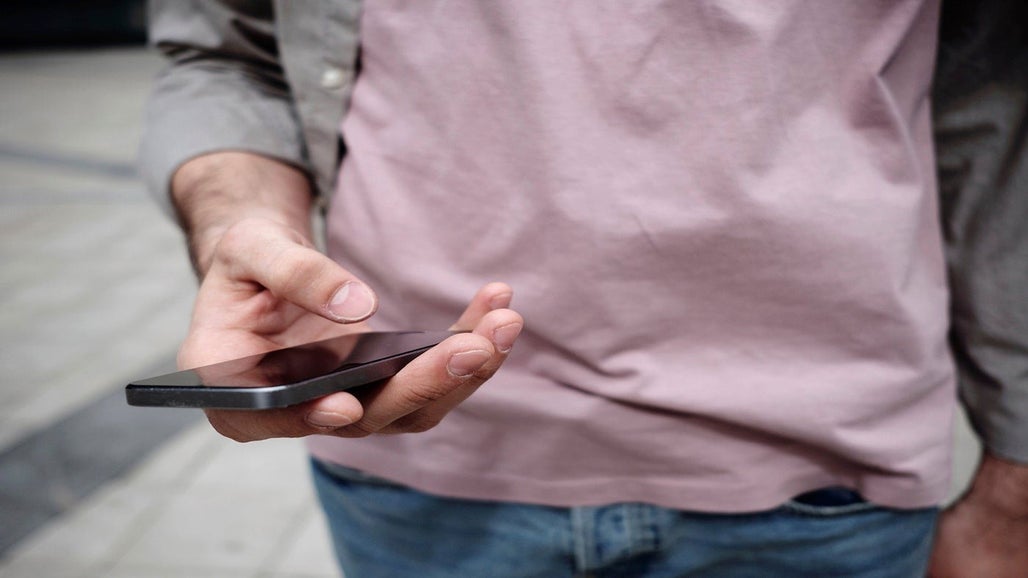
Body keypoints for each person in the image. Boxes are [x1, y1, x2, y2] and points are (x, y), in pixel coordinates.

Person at [141, 1, 1027, 576]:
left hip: (823, 478)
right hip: (413, 474)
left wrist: (1016, 482)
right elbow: (228, 52)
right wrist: (241, 228)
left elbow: (994, 90)